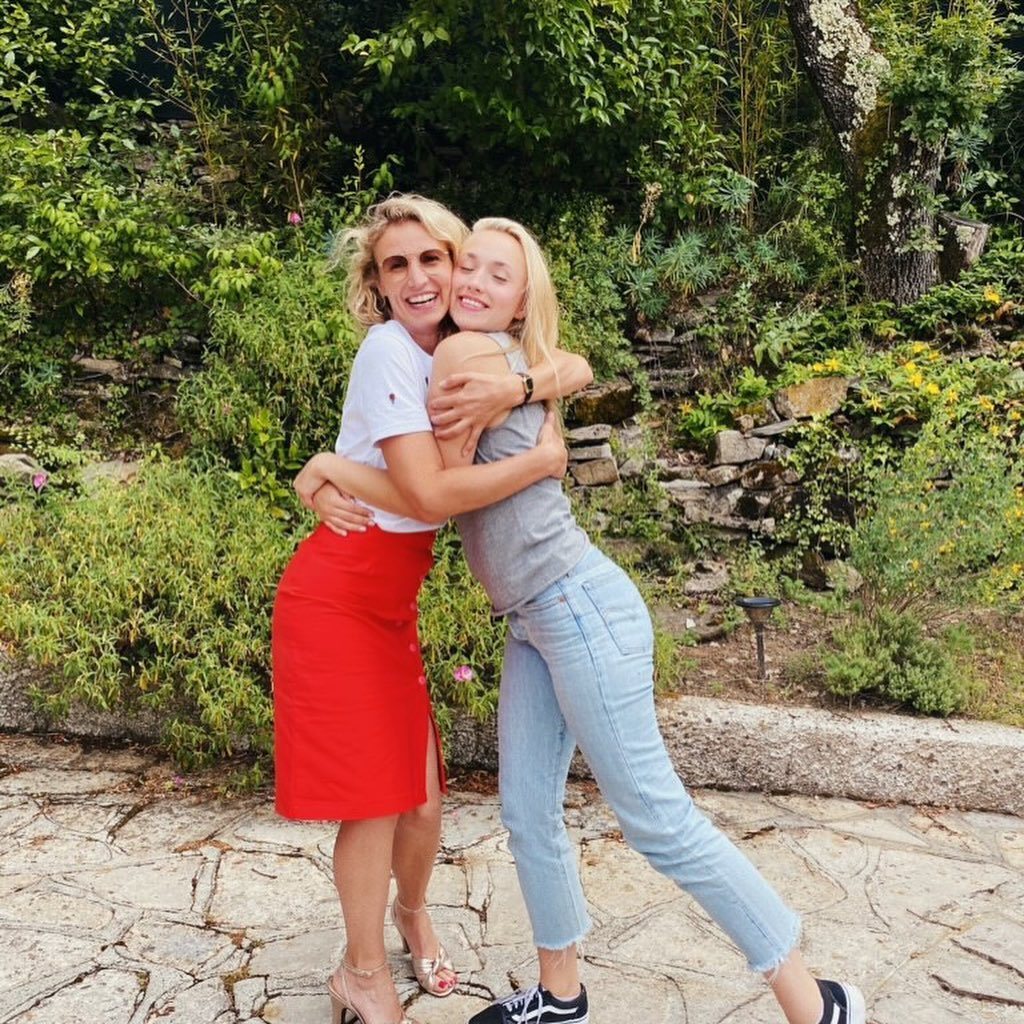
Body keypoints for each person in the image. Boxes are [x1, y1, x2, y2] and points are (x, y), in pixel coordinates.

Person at [295, 216, 868, 1024]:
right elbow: (562, 371)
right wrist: (532, 401)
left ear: (523, 297)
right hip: (533, 615)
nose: (472, 282)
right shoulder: (502, 357)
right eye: (471, 266)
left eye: (497, 274)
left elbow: (433, 493)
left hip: (576, 603)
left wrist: (332, 465)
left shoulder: (468, 355)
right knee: (528, 813)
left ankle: (814, 1005)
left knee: (657, 819)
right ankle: (561, 998)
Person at [272, 194, 592, 1024]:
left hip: (390, 601)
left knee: (421, 802)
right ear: (377, 285)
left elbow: (574, 364)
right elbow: (427, 495)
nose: (417, 278)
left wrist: (524, 382)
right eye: (396, 265)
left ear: (455, 263)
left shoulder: (462, 344)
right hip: (339, 595)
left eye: (430, 259)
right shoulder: (388, 351)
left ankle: (411, 915)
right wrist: (541, 461)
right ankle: (361, 975)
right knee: (376, 799)